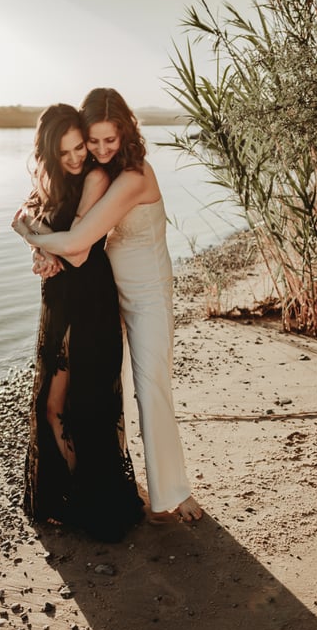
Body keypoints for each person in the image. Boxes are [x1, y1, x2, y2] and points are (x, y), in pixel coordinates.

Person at [13, 88, 203, 524]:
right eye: (91, 141)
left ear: (126, 133)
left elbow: (77, 243)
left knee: (151, 385)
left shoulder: (134, 177)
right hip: (110, 291)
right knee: (107, 391)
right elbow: (58, 211)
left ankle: (173, 494)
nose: (99, 149)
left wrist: (30, 236)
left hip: (149, 292)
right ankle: (112, 482)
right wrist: (39, 246)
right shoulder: (99, 172)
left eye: (108, 140)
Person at [14, 103, 145, 543]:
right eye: (66, 151)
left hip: (89, 302)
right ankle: (70, 495)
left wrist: (38, 243)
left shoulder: (96, 178)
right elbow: (24, 217)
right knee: (51, 406)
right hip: (58, 300)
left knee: (84, 408)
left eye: (79, 148)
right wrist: (38, 249)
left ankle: (95, 504)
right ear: (51, 153)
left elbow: (79, 251)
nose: (76, 157)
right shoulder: (52, 183)